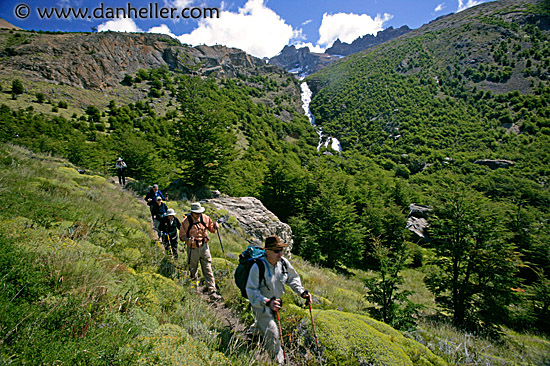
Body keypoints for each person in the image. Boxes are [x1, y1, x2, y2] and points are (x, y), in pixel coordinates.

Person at [245, 235, 312, 365]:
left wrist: (302, 292)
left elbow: (293, 279)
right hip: (261, 304)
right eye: (276, 251)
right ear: (267, 251)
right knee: (272, 332)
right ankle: (280, 361)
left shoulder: (283, 263)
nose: (280, 253)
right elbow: (251, 290)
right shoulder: (258, 267)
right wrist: (266, 301)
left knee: (264, 323)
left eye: (281, 250)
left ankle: (252, 334)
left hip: (275, 303)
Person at [179, 202, 221, 300]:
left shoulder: (205, 218)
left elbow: (212, 230)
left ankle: (212, 291)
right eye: (196, 213)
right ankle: (194, 290)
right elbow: (181, 236)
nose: (198, 215)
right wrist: (187, 239)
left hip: (204, 247)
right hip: (192, 248)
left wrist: (215, 227)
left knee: (208, 268)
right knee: (193, 269)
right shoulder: (186, 222)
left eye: (200, 212)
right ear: (192, 212)